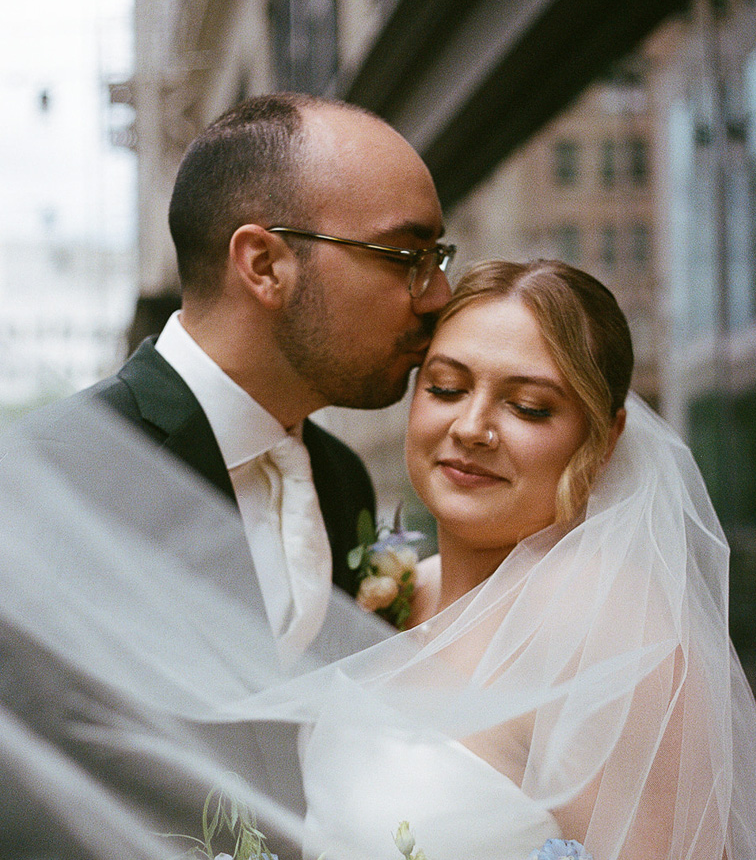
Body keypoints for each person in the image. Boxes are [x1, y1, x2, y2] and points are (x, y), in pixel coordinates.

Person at [2, 260, 756, 860]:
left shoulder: (610, 623)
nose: (472, 428)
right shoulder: (391, 598)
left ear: (604, 432)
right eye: (446, 387)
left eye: (529, 406)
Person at [6, 91, 453, 653]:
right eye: (405, 258)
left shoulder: (344, 482)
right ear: (264, 265)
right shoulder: (48, 475)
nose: (438, 295)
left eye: (439, 259)